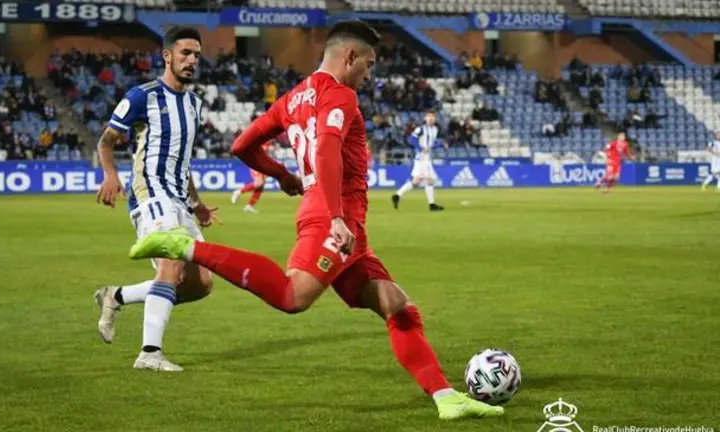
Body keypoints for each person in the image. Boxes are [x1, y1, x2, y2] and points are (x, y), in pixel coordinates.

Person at [128, 20, 503, 421]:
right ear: (350, 56)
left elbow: (242, 145)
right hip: (333, 218)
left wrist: (283, 176)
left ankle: (446, 397)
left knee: (398, 307)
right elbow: (325, 148)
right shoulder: (340, 95)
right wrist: (336, 218)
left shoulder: (293, 97)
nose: (369, 74)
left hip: (342, 224)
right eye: (369, 64)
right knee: (292, 296)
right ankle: (184, 246)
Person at [94, 26, 220, 372]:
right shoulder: (142, 96)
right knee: (171, 266)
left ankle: (116, 296)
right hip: (150, 194)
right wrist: (110, 175)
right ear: (167, 56)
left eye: (196, 55)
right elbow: (106, 141)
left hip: (179, 199)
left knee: (201, 284)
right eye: (185, 53)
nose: (192, 60)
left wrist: (197, 204)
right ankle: (149, 353)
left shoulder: (193, 105)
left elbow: (184, 162)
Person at [392, 111, 446, 211]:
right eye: (428, 116)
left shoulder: (435, 129)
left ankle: (397, 195)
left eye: (432, 117)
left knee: (416, 181)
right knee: (429, 179)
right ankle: (432, 205)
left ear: (435, 119)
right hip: (422, 157)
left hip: (427, 157)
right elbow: (411, 139)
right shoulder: (420, 129)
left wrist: (440, 144)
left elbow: (431, 145)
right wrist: (420, 148)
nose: (431, 118)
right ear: (425, 118)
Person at [231, 141, 275, 213]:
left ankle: (249, 206)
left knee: (260, 186)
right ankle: (239, 191)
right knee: (259, 183)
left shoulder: (268, 144)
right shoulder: (258, 142)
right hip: (255, 164)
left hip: (263, 165)